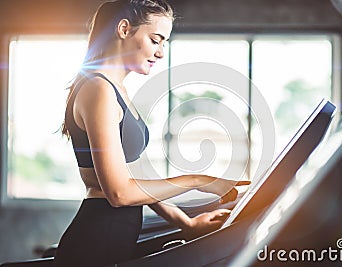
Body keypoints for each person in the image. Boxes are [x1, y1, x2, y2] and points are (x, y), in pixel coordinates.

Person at [54, 0, 249, 266]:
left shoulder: (115, 89)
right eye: (155, 40)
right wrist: (195, 180)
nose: (160, 53)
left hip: (113, 238)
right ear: (124, 29)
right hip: (95, 242)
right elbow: (119, 193)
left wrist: (187, 222)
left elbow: (135, 179)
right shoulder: (98, 90)